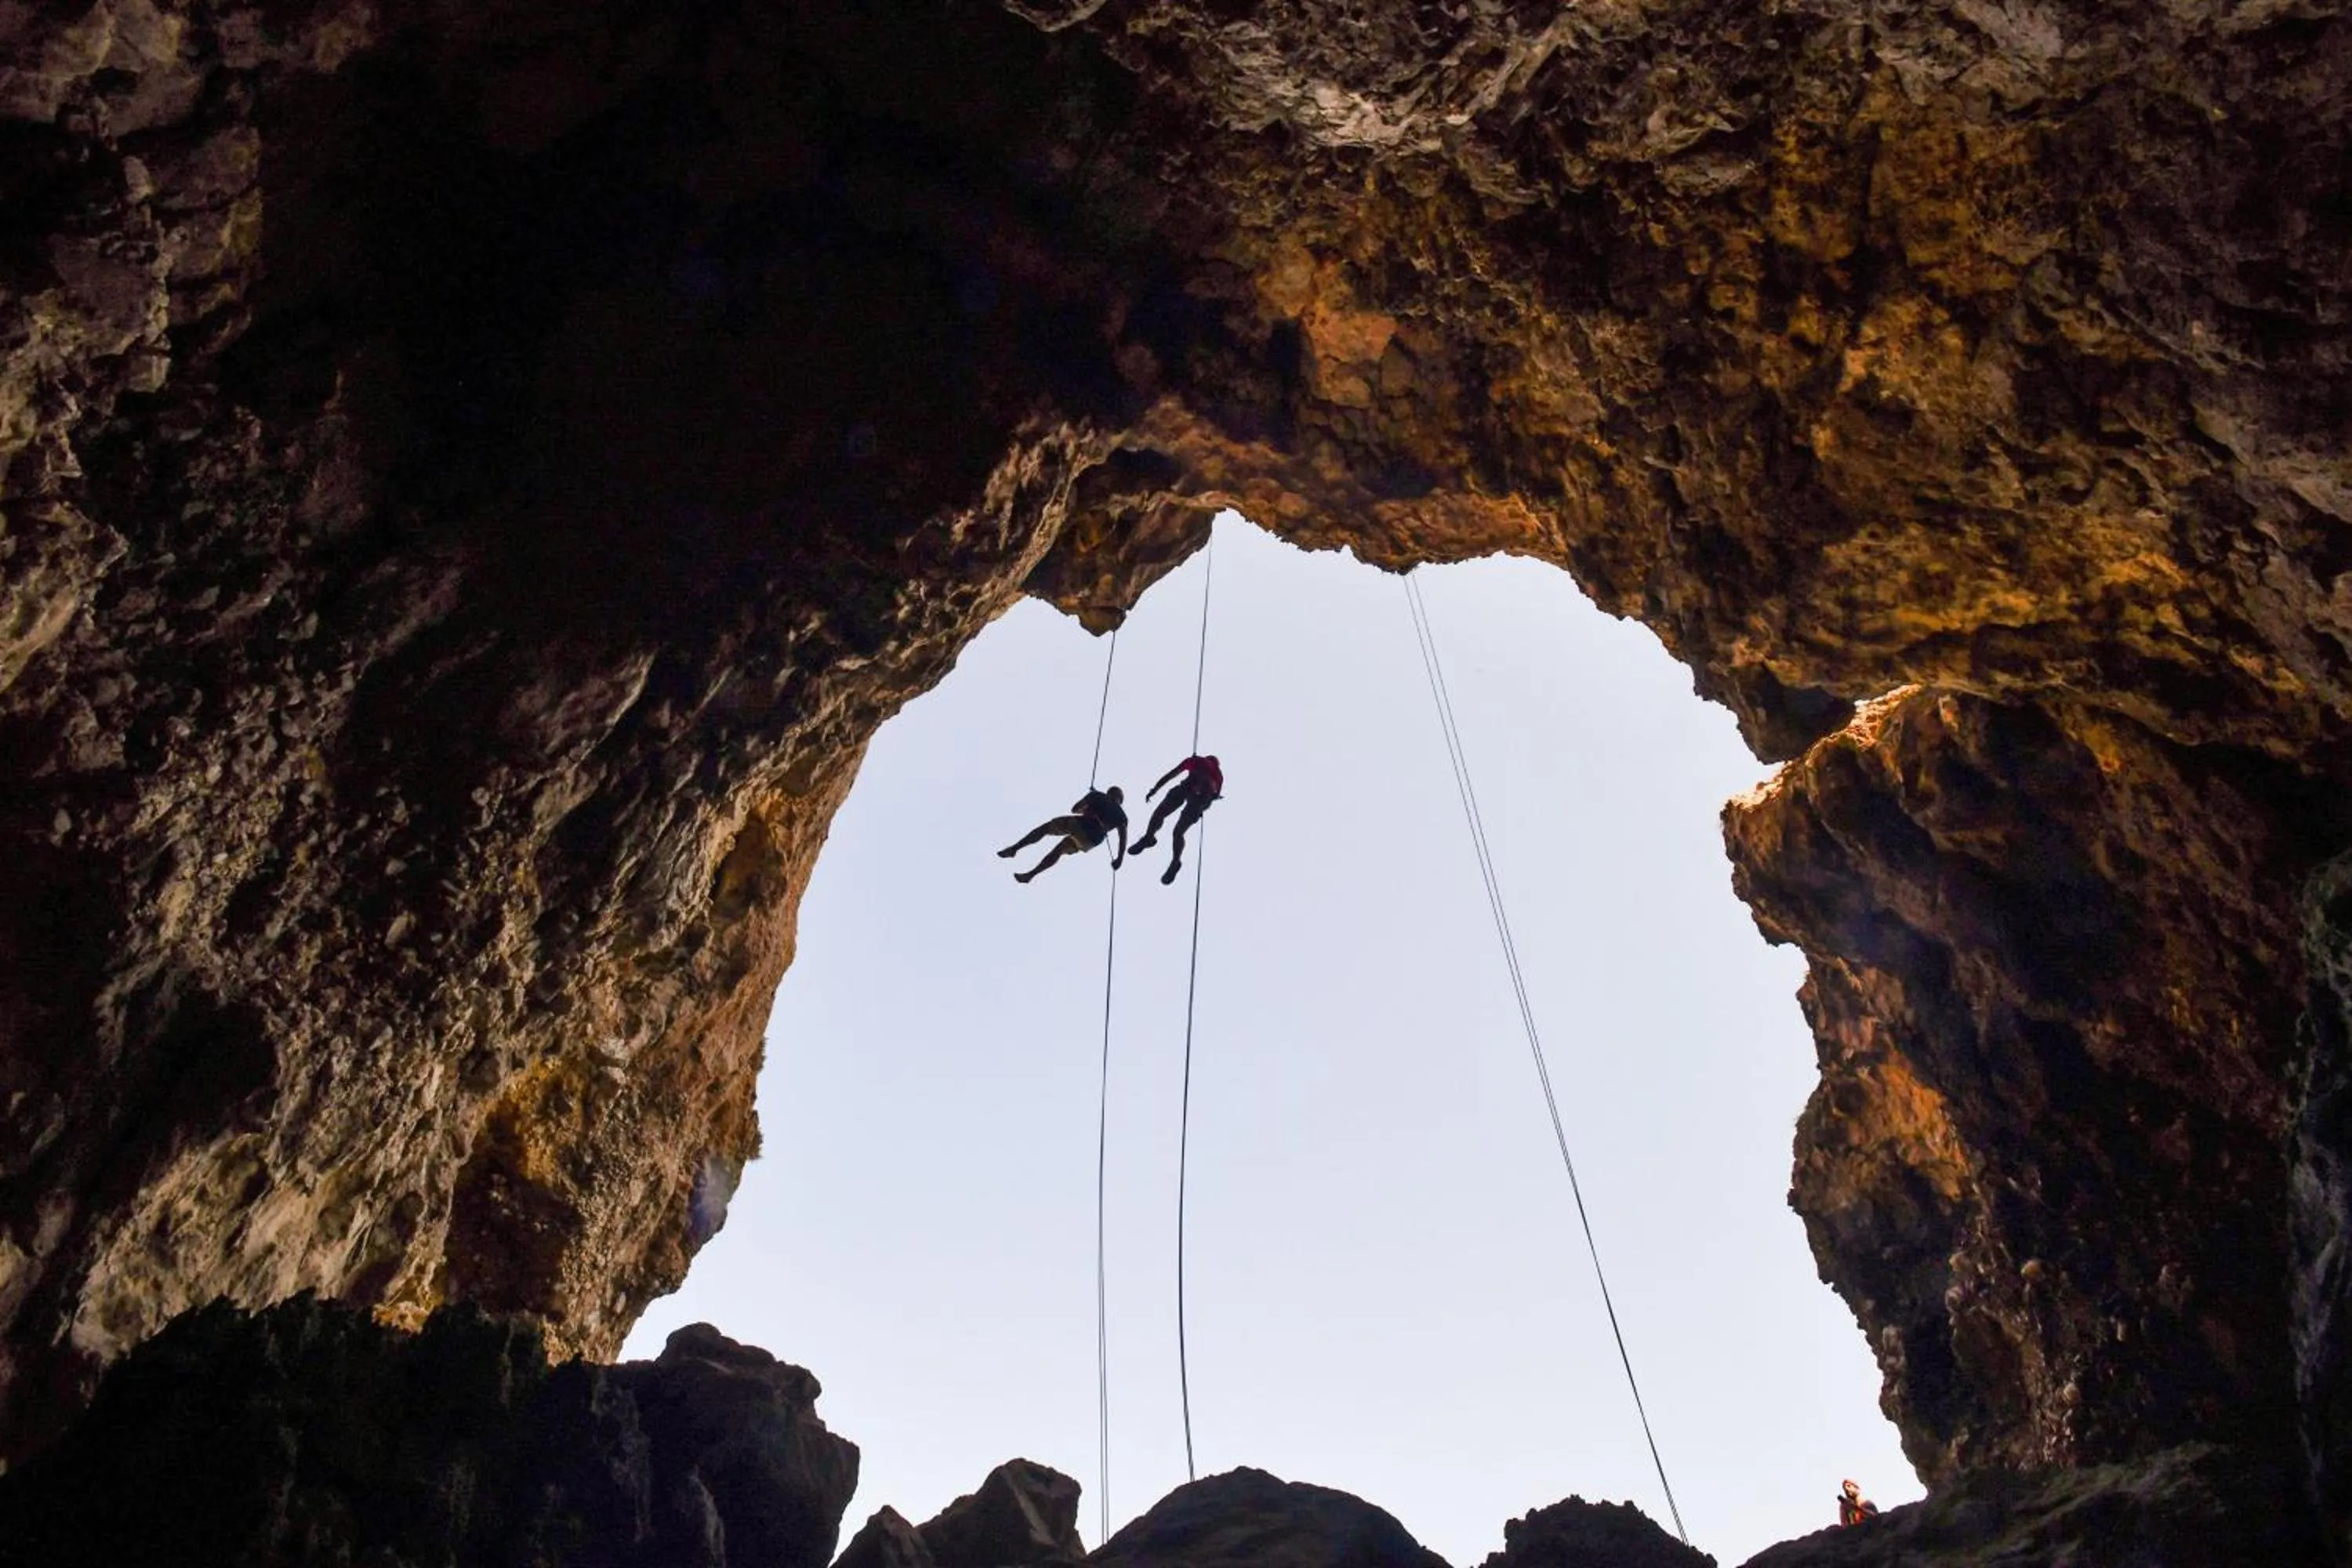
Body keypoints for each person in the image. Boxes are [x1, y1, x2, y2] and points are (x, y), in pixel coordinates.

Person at [999, 786, 1127, 883]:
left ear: (1108, 792)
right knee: (1059, 850)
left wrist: (1089, 804)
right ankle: (1031, 875)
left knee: (1046, 828)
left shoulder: (1098, 796)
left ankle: (1015, 849)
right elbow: (1123, 839)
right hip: (1092, 840)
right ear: (1120, 801)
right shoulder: (1122, 816)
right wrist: (1119, 859)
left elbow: (1075, 808)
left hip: (1081, 824)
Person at [1131, 753, 1221, 885]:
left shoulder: (1196, 761)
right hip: (1202, 799)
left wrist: (1155, 789)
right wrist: (1200, 809)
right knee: (1178, 832)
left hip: (1187, 789)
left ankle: (1149, 837)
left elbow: (1170, 775)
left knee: (1160, 813)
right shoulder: (1219, 775)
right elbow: (1214, 796)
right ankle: (1176, 861)